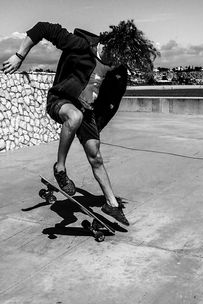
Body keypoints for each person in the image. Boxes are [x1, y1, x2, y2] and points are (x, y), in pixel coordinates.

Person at [2, 22, 129, 226]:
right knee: (74, 117)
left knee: (95, 155)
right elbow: (41, 28)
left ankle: (111, 204)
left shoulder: (119, 70)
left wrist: (96, 129)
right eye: (117, 56)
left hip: (87, 111)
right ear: (108, 45)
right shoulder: (79, 44)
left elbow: (111, 104)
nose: (118, 62)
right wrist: (19, 56)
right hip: (61, 101)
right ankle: (60, 168)